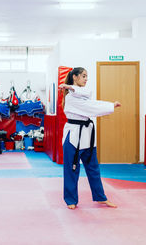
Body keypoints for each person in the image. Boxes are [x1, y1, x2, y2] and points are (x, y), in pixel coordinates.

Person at [59, 67, 121, 210]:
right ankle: (70, 200)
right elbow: (91, 107)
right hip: (73, 137)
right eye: (83, 76)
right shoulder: (71, 98)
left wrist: (70, 86)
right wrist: (110, 106)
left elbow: (89, 96)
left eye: (87, 76)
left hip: (87, 135)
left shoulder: (81, 94)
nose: (86, 79)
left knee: (93, 168)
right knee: (72, 169)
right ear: (74, 77)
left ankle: (100, 197)